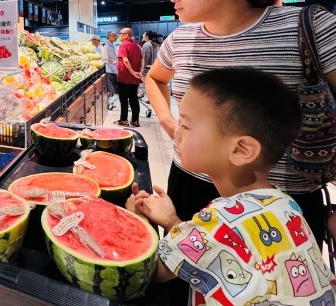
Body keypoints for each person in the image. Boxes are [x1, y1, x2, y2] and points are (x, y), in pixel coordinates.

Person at [144, 0, 336, 248]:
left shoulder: (309, 27)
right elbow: (155, 79)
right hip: (191, 184)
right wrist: (167, 120)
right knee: (186, 268)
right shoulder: (179, 39)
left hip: (284, 201)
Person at [128, 68, 334, 305]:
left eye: (185, 125)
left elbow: (150, 272)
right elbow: (211, 248)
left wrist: (137, 220)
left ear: (240, 150)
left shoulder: (221, 219)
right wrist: (172, 221)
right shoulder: (287, 206)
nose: (177, 132)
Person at [115, 28, 143, 127]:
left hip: (124, 77)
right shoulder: (137, 46)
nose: (119, 35)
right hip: (134, 79)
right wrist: (139, 72)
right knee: (134, 98)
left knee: (123, 100)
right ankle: (135, 120)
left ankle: (124, 120)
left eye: (120, 33)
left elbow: (126, 61)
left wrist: (132, 72)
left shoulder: (123, 45)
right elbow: (142, 60)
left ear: (126, 35)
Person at [140, 31, 159, 99]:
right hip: (153, 67)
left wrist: (141, 68)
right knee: (149, 83)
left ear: (147, 36)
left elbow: (144, 58)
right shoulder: (155, 45)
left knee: (145, 83)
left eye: (144, 34)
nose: (143, 35)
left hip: (146, 67)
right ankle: (142, 94)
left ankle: (151, 98)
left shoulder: (146, 45)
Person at [104, 31, 119, 105]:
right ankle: (109, 103)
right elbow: (104, 58)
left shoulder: (112, 45)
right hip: (109, 69)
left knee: (113, 88)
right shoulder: (105, 45)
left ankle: (109, 103)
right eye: (114, 35)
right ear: (109, 36)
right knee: (112, 88)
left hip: (114, 69)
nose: (116, 37)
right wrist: (113, 61)